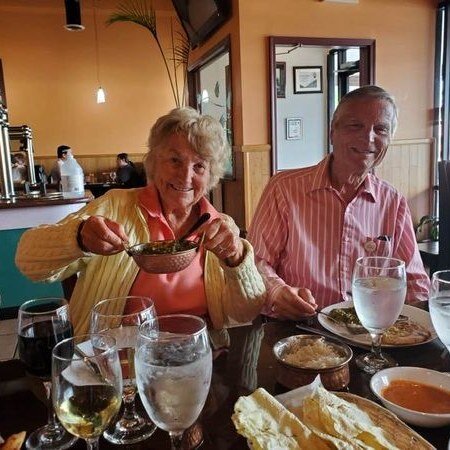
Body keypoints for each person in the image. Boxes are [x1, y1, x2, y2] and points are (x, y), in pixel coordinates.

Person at [16, 107, 266, 336]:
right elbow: (27, 260)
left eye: (199, 166)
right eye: (175, 160)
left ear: (212, 175)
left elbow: (247, 311)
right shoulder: (114, 207)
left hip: (197, 359)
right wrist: (78, 236)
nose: (185, 176)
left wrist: (236, 258)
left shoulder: (219, 226)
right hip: (118, 362)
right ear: (155, 162)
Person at [248, 85, 430, 320]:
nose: (368, 138)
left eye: (381, 129)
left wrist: (428, 327)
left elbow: (414, 281)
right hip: (300, 329)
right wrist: (278, 291)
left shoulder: (393, 202)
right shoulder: (284, 188)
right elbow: (257, 261)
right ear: (332, 131)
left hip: (369, 333)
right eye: (355, 126)